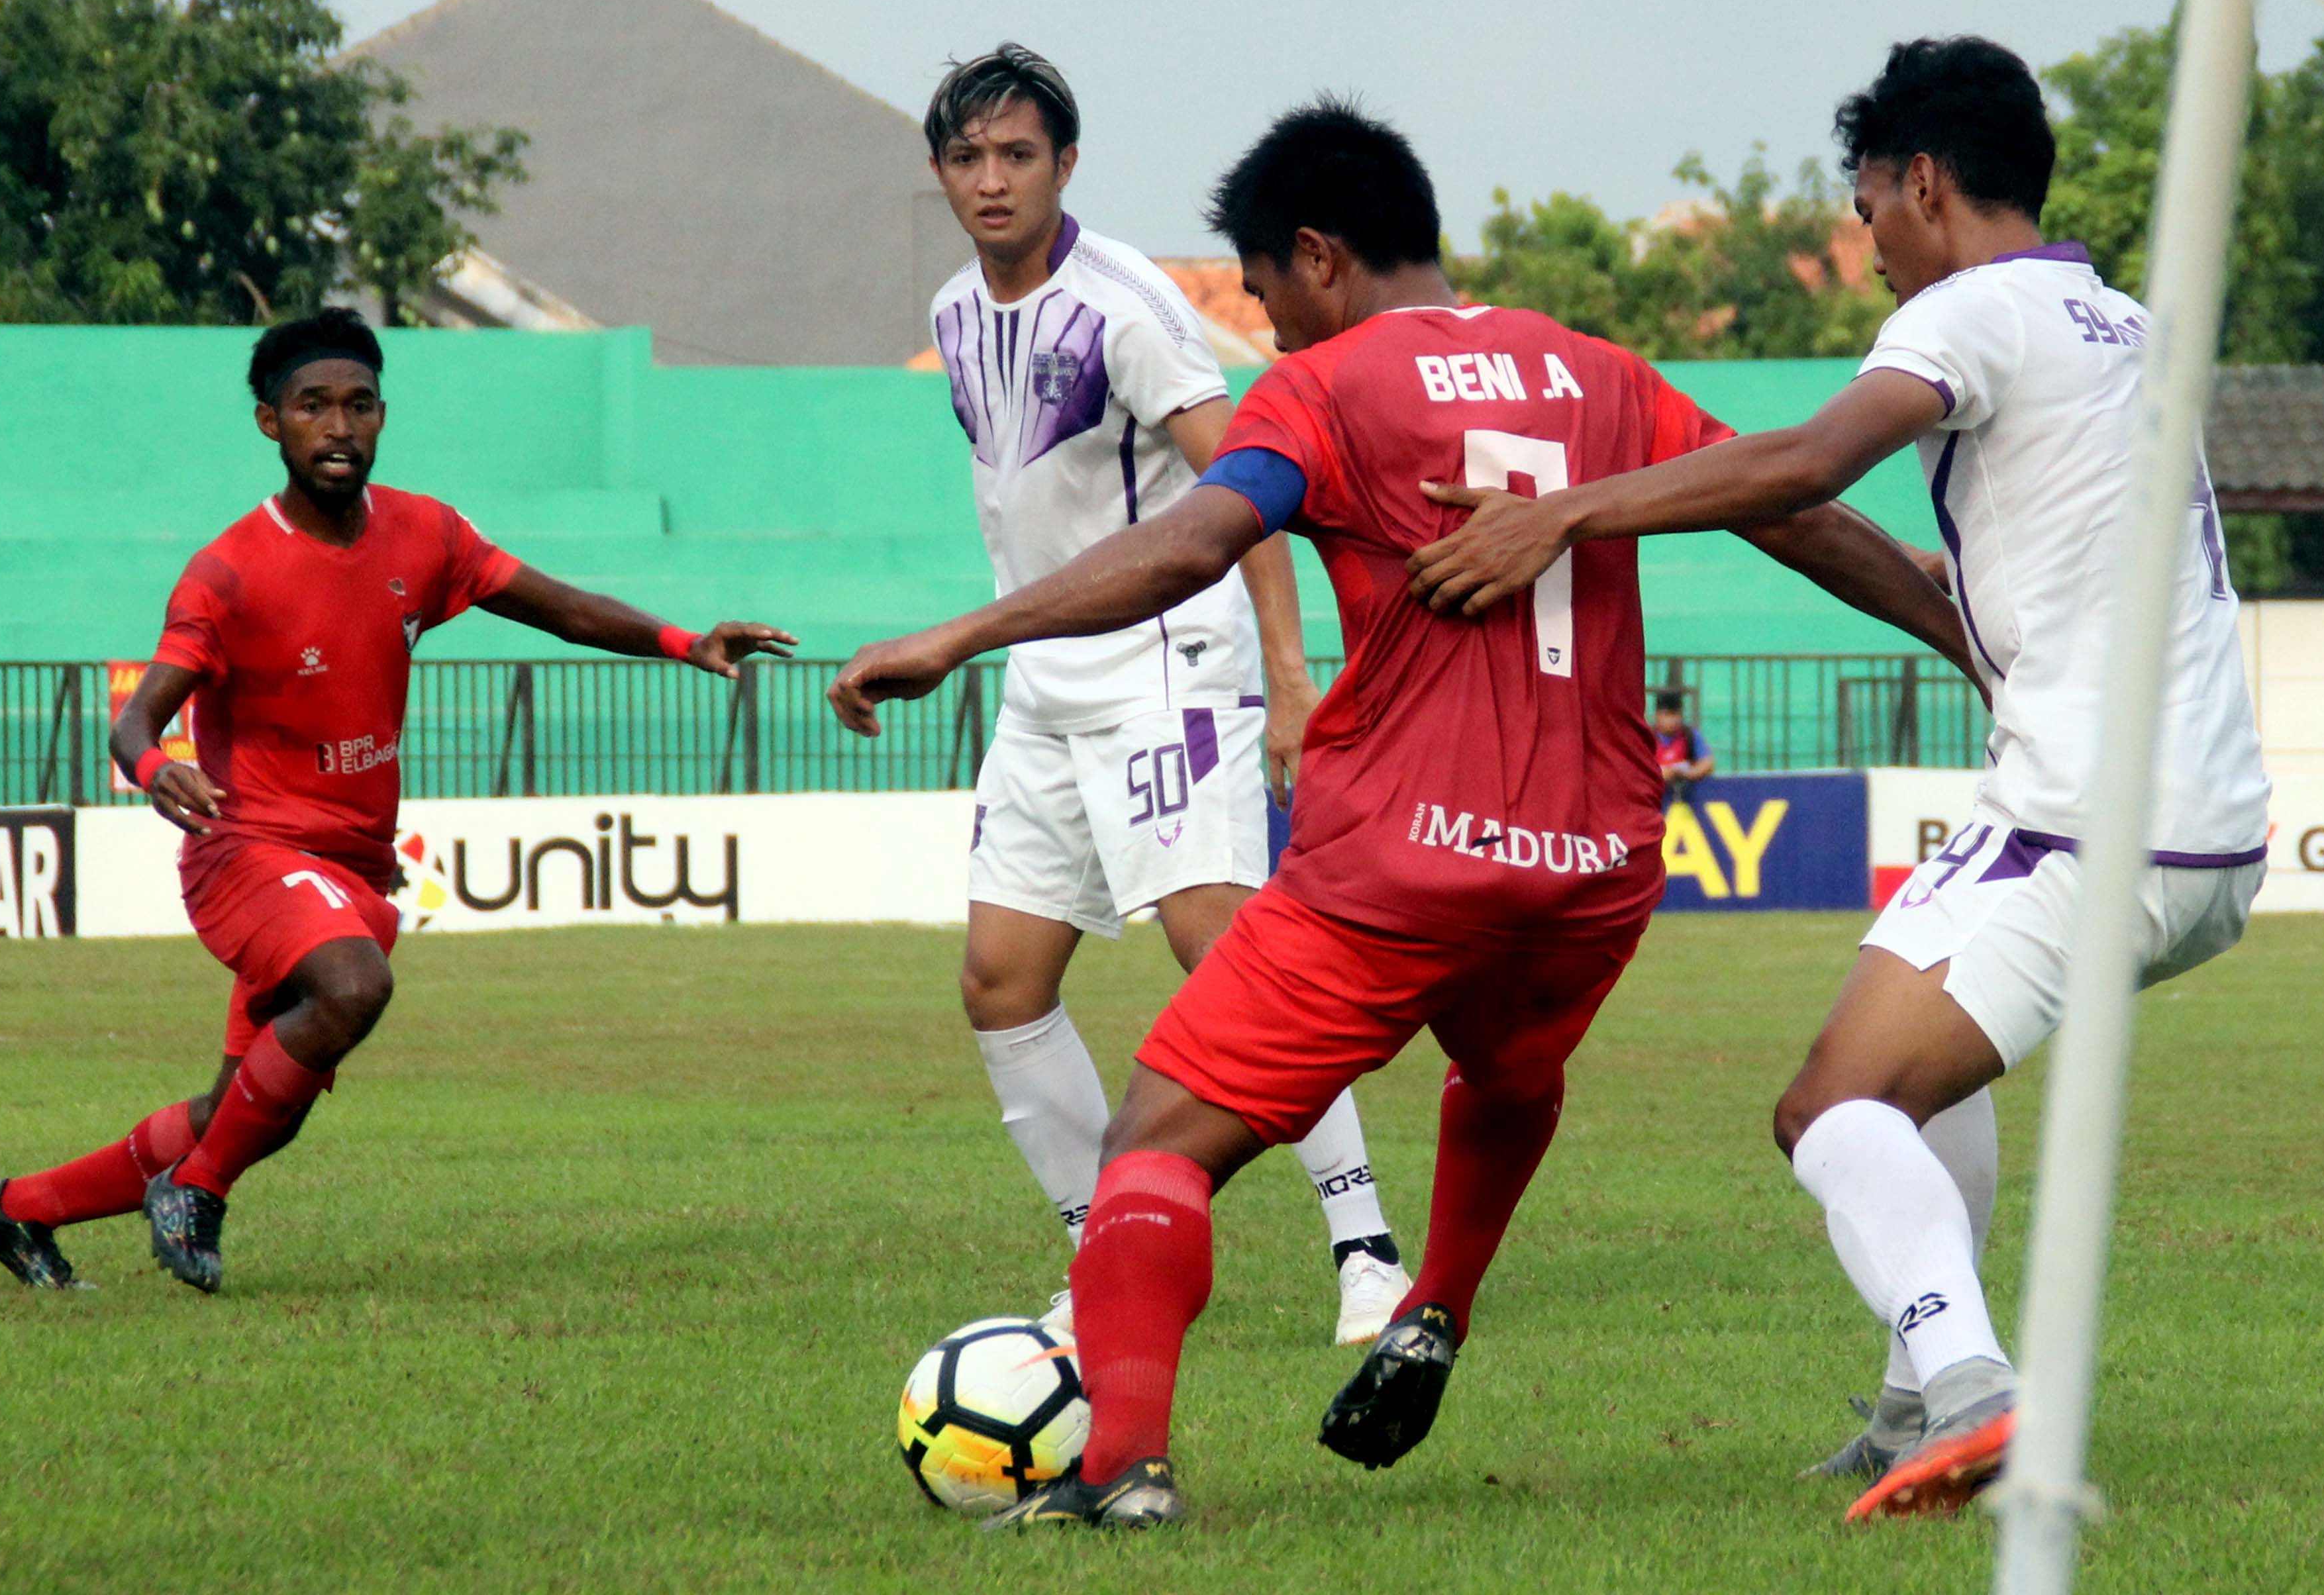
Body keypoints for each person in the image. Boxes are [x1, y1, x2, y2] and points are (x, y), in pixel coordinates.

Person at [831, 100, 1968, 1529]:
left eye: (1262, 291)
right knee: (1502, 1074)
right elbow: (1802, 513)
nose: (1267, 325)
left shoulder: (1330, 388)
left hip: (1397, 870)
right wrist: (1968, 640)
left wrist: (961, 635)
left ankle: (1120, 1470)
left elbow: (1193, 540)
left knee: (1156, 1149)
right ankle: (1435, 1305)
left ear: (1319, 256)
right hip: (1594, 867)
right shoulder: (1603, 372)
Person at [1408, 36, 2272, 1522]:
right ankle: (1902, 1406)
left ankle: (1979, 1395)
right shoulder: (2119, 319)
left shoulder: (1977, 312)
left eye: (1866, 203)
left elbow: (1811, 464)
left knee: (1826, 1110)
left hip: (2086, 819)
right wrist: (1967, 630)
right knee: (1927, 1060)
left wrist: (1564, 515)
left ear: (1921, 181)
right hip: (2205, 827)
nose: (1864, 244)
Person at [0, 308, 791, 1296]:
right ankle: (197, 1190)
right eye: (314, 407)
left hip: (350, 868)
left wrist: (680, 642)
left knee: (240, 1102)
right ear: (271, 423)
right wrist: (153, 769)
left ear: (383, 416)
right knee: (352, 991)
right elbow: (135, 721)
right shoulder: (228, 574)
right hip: (248, 856)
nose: (338, 427)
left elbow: (554, 605)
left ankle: (19, 1209)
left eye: (358, 406)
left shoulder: (424, 532)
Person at [918, 43, 1407, 1347]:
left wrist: (1293, 682)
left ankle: (1367, 1244)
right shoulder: (953, 313)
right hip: (1047, 677)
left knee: (1227, 955)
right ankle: (1105, 1254)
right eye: (967, 157)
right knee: (1000, 978)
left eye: (1018, 153)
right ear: (940, 175)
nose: (992, 179)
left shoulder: (1126, 304)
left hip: (1167, 664)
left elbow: (1251, 492)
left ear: (1066, 163)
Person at [1651, 690, 1715, 795]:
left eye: (1676, 715)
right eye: (1667, 715)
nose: (1672, 720)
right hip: (1655, 797)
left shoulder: (1690, 735)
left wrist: (1687, 774)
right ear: (1657, 715)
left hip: (1686, 798)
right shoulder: (1648, 737)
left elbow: (1708, 763)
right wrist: (1659, 775)